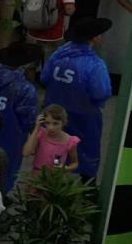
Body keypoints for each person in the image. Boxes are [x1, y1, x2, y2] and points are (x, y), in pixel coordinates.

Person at [41, 17, 112, 178]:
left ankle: (51, 179)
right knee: (87, 151)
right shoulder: (95, 64)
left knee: (55, 147)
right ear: (94, 38)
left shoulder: (58, 55)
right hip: (83, 117)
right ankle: (87, 186)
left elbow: (44, 78)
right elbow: (101, 92)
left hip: (55, 112)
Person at [0, 42, 40, 194]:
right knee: (7, 169)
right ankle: (0, 196)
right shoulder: (25, 88)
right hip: (11, 135)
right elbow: (28, 118)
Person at [23, 104, 79, 173]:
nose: (51, 128)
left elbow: (75, 163)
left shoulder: (70, 141)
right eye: (47, 123)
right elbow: (26, 153)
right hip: (36, 177)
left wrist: (65, 168)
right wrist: (36, 128)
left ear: (63, 122)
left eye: (55, 123)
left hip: (54, 180)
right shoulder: (40, 133)